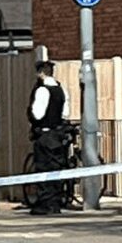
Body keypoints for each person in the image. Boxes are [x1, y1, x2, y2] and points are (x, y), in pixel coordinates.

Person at [28, 61, 71, 215]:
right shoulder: (61, 90)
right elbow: (65, 114)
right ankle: (55, 202)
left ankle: (45, 203)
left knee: (44, 169)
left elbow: (37, 114)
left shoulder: (42, 91)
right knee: (57, 169)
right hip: (58, 135)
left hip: (45, 135)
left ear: (41, 73)